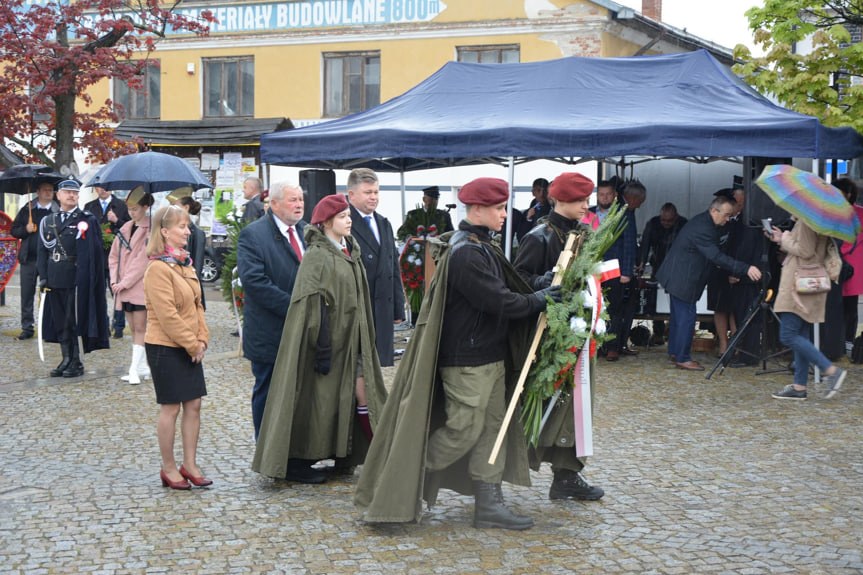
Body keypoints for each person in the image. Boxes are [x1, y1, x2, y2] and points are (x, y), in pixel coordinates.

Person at [355, 177, 562, 530]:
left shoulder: (484, 245)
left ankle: (489, 504)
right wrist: (538, 300)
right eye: (497, 209)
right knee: (463, 430)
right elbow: (496, 300)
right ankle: (398, 482)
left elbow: (505, 285)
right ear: (477, 209)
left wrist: (541, 286)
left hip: (490, 356)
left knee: (491, 431)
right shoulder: (467, 251)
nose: (503, 215)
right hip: (467, 361)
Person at [252, 194, 387, 484]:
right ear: (326, 222)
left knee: (363, 393)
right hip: (324, 345)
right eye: (342, 216)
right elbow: (308, 305)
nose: (349, 220)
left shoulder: (350, 250)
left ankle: (365, 456)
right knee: (314, 401)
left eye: (349, 215)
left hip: (354, 341)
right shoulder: (318, 256)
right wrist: (320, 340)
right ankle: (298, 460)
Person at [513, 172, 605, 502]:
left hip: (579, 330)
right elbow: (519, 279)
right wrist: (550, 282)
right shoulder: (539, 236)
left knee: (576, 404)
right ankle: (503, 465)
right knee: (543, 405)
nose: (586, 205)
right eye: (580, 200)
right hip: (549, 335)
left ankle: (567, 475)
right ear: (560, 199)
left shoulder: (583, 232)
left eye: (587, 199)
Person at [144, 205, 212, 490]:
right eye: (182, 227)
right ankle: (169, 467)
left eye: (188, 226)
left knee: (194, 404)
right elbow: (167, 315)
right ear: (164, 231)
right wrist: (192, 343)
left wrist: (203, 339)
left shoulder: (184, 263)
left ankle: (190, 464)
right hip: (165, 346)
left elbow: (198, 306)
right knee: (171, 408)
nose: (188, 231)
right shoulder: (157, 269)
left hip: (190, 344)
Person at [655, 195, 762, 371]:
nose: (728, 219)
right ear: (714, 211)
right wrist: (746, 268)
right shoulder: (703, 228)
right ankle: (682, 357)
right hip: (683, 278)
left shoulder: (705, 222)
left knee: (678, 318)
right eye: (726, 215)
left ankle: (675, 351)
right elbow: (716, 256)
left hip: (678, 276)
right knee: (686, 319)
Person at [237, 182, 306, 439]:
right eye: (292, 200)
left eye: (301, 199)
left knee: (299, 394)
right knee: (268, 393)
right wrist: (297, 307)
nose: (299, 204)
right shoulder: (253, 235)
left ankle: (296, 453)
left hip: (303, 332)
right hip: (270, 333)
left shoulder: (306, 231)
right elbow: (255, 283)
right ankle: (267, 451)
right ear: (274, 203)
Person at [37, 179, 110, 377]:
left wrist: (86, 279)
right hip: (54, 276)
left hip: (75, 278)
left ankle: (76, 361)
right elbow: (42, 251)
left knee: (73, 320)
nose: (71, 195)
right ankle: (66, 357)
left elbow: (92, 253)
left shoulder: (86, 220)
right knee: (60, 321)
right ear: (58, 195)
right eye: (67, 192)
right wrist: (43, 277)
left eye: (75, 193)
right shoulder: (49, 221)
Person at [767, 219, 847, 400]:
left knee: (788, 335)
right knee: (801, 335)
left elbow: (805, 251)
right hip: (805, 283)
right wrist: (781, 238)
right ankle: (799, 386)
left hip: (798, 285)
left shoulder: (806, 222)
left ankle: (830, 370)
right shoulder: (815, 221)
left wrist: (785, 238)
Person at [347, 168, 406, 367]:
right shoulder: (344, 223)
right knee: (360, 367)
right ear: (352, 194)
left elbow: (393, 268)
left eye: (376, 192)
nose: (373, 197)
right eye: (368, 193)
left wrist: (398, 308)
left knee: (377, 366)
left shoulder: (383, 223)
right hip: (360, 308)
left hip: (383, 308)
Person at [589, 180, 642, 360]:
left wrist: (627, 272)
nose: (604, 197)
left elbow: (629, 244)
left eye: (608, 194)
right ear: (597, 196)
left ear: (615, 196)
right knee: (592, 307)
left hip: (615, 270)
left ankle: (612, 346)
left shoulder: (625, 214)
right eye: (601, 194)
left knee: (614, 309)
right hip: (592, 269)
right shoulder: (588, 214)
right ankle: (594, 346)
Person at [108, 188, 153, 385]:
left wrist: (124, 282)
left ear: (145, 207)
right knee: (133, 328)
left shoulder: (151, 230)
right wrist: (114, 280)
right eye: (129, 209)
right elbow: (113, 257)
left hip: (139, 286)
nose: (131, 213)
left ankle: (134, 369)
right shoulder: (125, 227)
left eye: (135, 209)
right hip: (123, 286)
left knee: (141, 327)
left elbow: (142, 260)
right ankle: (142, 367)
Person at [10, 181, 58, 340]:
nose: (48, 193)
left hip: (50, 260)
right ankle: (27, 327)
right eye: (45, 190)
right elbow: (14, 230)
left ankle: (48, 328)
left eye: (51, 190)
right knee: (27, 294)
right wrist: (26, 230)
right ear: (37, 191)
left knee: (50, 294)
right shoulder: (27, 209)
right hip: (29, 259)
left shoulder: (57, 210)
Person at [637, 202, 687, 345]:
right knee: (656, 299)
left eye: (669, 221)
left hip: (678, 267)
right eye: (663, 220)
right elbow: (645, 244)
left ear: (676, 217)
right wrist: (641, 261)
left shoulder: (683, 224)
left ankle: (673, 334)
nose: (665, 223)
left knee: (676, 302)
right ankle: (658, 332)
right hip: (658, 265)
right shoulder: (653, 223)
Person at [85, 185, 130, 339]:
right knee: (98, 293)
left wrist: (116, 220)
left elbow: (130, 228)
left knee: (117, 292)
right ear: (95, 189)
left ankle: (118, 326)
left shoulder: (121, 206)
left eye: (106, 187)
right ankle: (102, 324)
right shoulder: (89, 207)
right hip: (96, 256)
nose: (103, 189)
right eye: (99, 187)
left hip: (116, 257)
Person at [705, 188, 745, 355]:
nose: (739, 206)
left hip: (737, 268)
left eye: (741, 203)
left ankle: (735, 344)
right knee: (720, 307)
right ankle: (723, 343)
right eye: (736, 203)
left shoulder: (745, 221)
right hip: (717, 267)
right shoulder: (717, 219)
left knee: (735, 309)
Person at [836, 178, 863, 345]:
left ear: (848, 194)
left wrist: (836, 250)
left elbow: (855, 238)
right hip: (836, 262)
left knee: (851, 305)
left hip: (852, 264)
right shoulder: (834, 212)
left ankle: (848, 340)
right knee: (836, 303)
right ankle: (837, 339)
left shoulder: (859, 212)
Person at [174, 196, 207, 310]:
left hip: (189, 288)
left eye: (175, 205)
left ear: (186, 208)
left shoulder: (197, 233)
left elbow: (197, 265)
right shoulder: (172, 231)